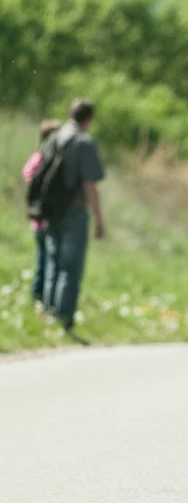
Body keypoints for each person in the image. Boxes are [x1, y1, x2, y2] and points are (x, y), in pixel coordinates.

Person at [43, 99, 107, 337]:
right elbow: (90, 185)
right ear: (89, 119)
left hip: (50, 209)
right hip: (74, 209)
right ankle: (64, 320)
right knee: (70, 268)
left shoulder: (53, 137)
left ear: (70, 113)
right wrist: (99, 219)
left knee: (53, 263)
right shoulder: (84, 142)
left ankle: (47, 315)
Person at [22, 119, 63, 312]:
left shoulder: (36, 158)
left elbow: (28, 175)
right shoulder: (47, 160)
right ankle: (42, 298)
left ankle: (40, 297)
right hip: (46, 220)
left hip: (37, 219)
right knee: (47, 261)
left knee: (44, 259)